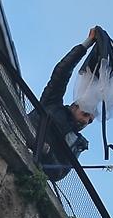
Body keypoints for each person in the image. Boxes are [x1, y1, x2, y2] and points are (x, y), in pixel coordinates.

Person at [27, 27, 100, 181]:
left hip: (31, 169)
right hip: (18, 137)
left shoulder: (77, 143)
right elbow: (62, 72)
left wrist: (46, 152)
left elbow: (59, 173)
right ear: (74, 107)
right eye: (85, 114)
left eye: (90, 121)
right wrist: (87, 43)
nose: (85, 121)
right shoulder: (52, 103)